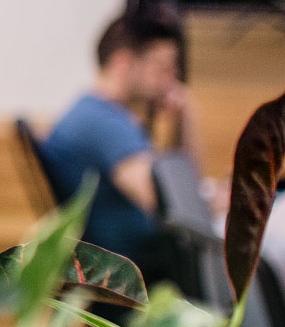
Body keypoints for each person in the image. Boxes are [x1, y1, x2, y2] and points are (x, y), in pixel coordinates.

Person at [39, 14, 195, 282]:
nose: (172, 79)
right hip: (134, 274)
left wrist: (180, 118)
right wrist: (191, 111)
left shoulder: (95, 113)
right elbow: (169, 201)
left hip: (121, 265)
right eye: (163, 67)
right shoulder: (105, 124)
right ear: (123, 63)